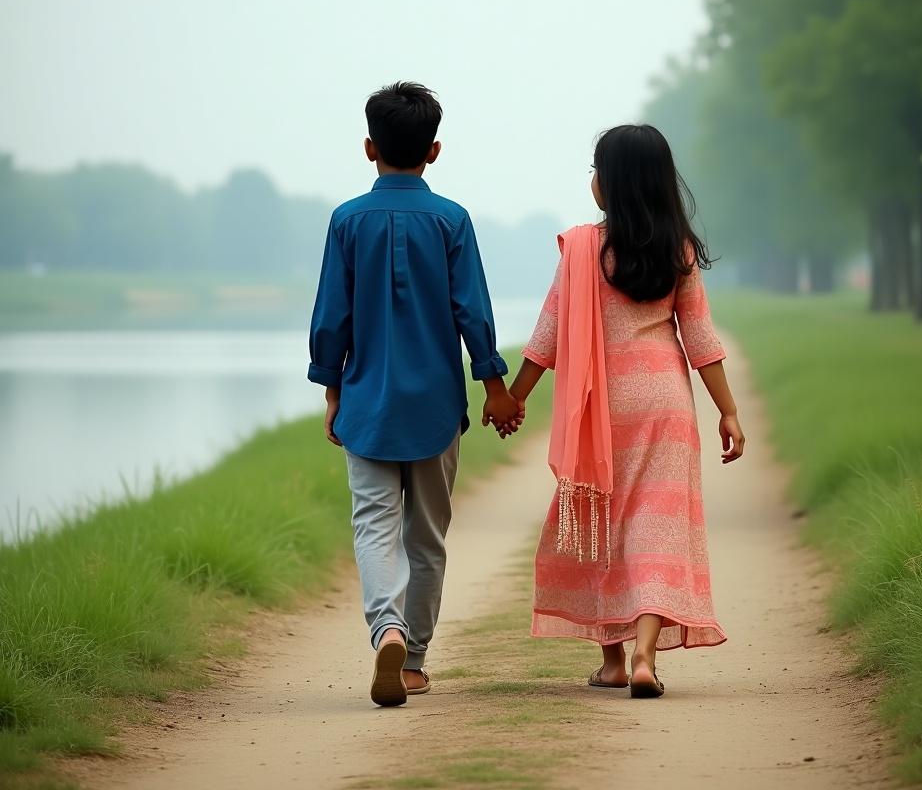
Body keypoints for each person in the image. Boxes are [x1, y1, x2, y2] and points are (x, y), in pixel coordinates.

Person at [504, 123, 744, 698]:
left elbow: (548, 334)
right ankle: (643, 655)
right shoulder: (677, 249)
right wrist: (728, 412)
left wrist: (514, 397)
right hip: (664, 404)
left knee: (598, 525)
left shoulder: (585, 249)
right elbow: (702, 341)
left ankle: (611, 662)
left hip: (599, 408)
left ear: (606, 185)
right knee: (656, 528)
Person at [307, 81, 522, 707]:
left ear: (369, 147)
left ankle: (387, 630)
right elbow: (471, 311)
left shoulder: (346, 221)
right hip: (434, 409)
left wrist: (330, 388)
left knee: (374, 525)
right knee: (426, 537)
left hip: (367, 402)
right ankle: (415, 662)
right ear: (434, 151)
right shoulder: (451, 220)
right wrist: (495, 386)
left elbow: (331, 316)